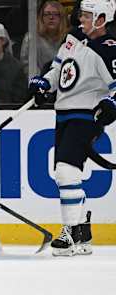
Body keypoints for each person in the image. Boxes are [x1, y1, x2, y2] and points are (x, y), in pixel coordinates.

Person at [28, 0, 116, 256]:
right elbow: (58, 70)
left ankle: (68, 233)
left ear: (102, 18)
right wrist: (44, 83)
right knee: (66, 173)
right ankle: (81, 230)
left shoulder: (109, 50)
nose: (82, 20)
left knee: (66, 172)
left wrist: (111, 103)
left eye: (88, 16)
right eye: (82, 14)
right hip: (63, 115)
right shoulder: (73, 38)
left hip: (86, 117)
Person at [20, 1, 70, 76]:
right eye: (47, 14)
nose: (51, 17)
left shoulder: (70, 38)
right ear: (41, 17)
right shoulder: (31, 38)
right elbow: (27, 66)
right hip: (40, 82)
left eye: (55, 14)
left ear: (61, 17)